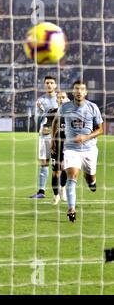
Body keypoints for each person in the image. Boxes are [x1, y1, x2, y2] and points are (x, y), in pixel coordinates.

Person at [56, 81, 103, 222]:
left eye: (82, 89)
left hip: (89, 149)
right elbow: (56, 122)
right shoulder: (64, 107)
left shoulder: (92, 107)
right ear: (73, 91)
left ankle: (91, 182)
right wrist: (54, 140)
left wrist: (85, 137)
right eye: (76, 89)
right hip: (71, 149)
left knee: (90, 178)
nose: (79, 91)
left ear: (85, 92)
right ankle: (71, 209)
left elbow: (100, 129)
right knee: (72, 176)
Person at [29, 75, 58, 198]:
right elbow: (37, 120)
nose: (49, 85)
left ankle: (61, 190)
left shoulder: (61, 99)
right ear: (44, 85)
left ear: (55, 85)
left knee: (59, 164)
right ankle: (41, 191)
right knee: (44, 162)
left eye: (51, 82)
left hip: (57, 136)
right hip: (44, 135)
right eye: (47, 83)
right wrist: (40, 110)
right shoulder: (40, 101)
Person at [50, 91, 70, 205]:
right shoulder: (58, 111)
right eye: (59, 98)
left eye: (63, 97)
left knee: (65, 169)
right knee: (56, 171)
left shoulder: (73, 110)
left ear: (67, 99)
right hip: (58, 143)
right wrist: (52, 141)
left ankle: (63, 188)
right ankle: (55, 195)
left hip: (69, 145)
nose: (61, 99)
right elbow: (54, 125)